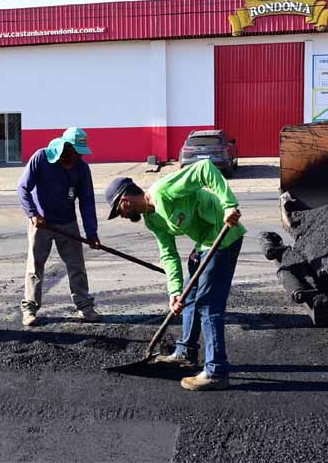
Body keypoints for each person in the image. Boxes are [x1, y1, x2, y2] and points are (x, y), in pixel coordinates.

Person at [105, 159, 245, 391]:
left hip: (224, 234)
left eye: (117, 210)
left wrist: (229, 205)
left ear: (125, 200)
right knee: (188, 297)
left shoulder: (164, 190)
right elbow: (168, 254)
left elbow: (205, 169)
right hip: (204, 242)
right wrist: (174, 291)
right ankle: (185, 353)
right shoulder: (151, 220)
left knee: (209, 305)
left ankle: (216, 371)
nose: (120, 215)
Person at [17, 127, 102, 326]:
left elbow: (87, 202)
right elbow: (23, 188)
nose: (80, 155)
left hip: (68, 223)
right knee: (35, 267)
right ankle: (29, 309)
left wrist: (92, 232)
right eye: (77, 151)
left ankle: (85, 307)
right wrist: (33, 214)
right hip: (41, 224)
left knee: (77, 267)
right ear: (66, 147)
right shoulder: (41, 158)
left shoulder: (82, 168)